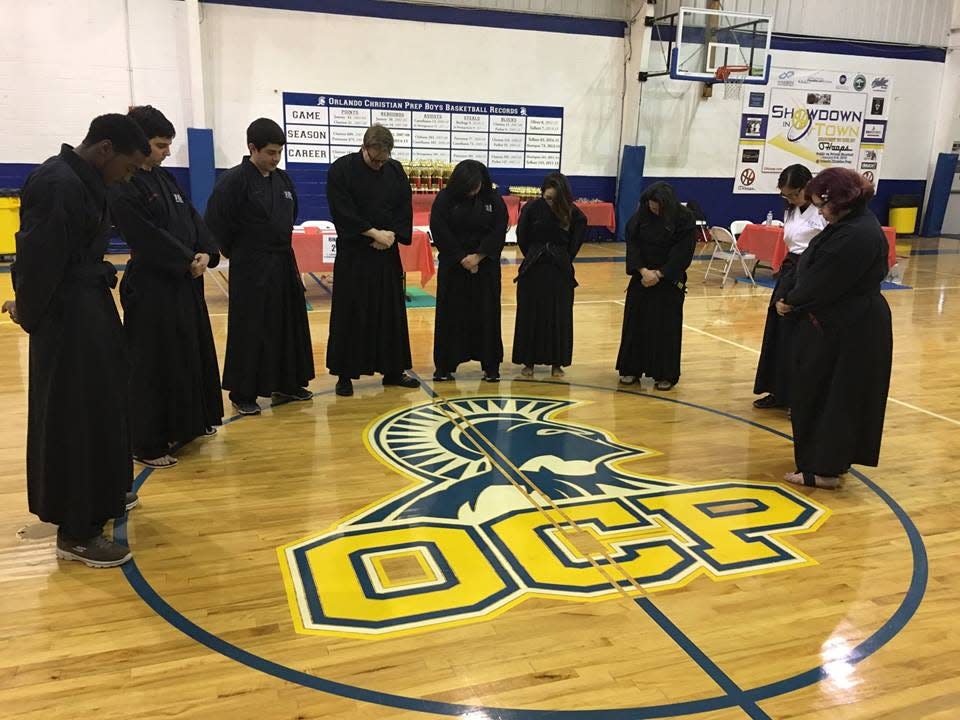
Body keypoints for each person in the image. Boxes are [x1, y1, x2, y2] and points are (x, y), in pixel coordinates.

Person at [8, 114, 148, 567]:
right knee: (73, 417)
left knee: (102, 408)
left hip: (89, 309)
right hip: (66, 319)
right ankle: (76, 530)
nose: (128, 176)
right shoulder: (57, 183)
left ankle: (103, 494)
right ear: (105, 149)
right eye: (127, 166)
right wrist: (27, 311)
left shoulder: (85, 180)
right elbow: (36, 260)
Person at [109, 106, 223, 469]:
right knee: (152, 365)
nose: (167, 152)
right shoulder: (125, 186)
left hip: (185, 285)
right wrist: (186, 259)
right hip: (152, 287)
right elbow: (146, 235)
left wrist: (207, 251)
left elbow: (192, 218)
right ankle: (148, 442)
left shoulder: (166, 180)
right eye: (160, 145)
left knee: (187, 356)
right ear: (139, 143)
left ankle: (187, 424)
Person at [778, 168, 892, 490]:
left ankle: (825, 468)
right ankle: (822, 461)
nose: (820, 213)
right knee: (819, 391)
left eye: (822, 205)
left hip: (851, 328)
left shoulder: (856, 234)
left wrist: (791, 301)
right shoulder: (848, 225)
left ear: (840, 202)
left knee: (836, 397)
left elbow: (824, 281)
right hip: (839, 322)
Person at [204, 118, 315, 415]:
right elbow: (216, 224)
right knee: (251, 327)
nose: (275, 158)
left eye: (279, 152)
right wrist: (241, 252)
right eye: (269, 152)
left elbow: (291, 214)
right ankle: (244, 392)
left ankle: (287, 382)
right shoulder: (233, 181)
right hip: (251, 264)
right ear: (252, 148)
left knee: (287, 324)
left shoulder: (283, 180)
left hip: (282, 261)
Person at [325, 124, 418, 396]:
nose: (379, 164)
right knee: (350, 313)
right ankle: (345, 374)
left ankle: (393, 370)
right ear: (363, 148)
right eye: (374, 159)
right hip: (355, 254)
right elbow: (341, 210)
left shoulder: (395, 170)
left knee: (390, 313)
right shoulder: (341, 169)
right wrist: (372, 233)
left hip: (386, 253)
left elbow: (404, 205)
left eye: (383, 159)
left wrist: (389, 235)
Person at [753, 164, 827, 410]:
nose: (791, 199)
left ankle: (800, 398)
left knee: (801, 335)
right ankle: (778, 390)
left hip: (811, 272)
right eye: (786, 195)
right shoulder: (791, 211)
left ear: (807, 186)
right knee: (778, 331)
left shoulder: (822, 213)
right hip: (790, 271)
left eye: (794, 193)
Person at [429, 160, 507, 382]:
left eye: (477, 186)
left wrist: (479, 256)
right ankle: (445, 365)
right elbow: (439, 229)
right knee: (450, 316)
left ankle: (490, 366)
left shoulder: (493, 199)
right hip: (454, 267)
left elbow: (499, 230)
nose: (473, 191)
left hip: (486, 267)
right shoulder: (445, 199)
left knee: (487, 314)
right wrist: (461, 258)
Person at [616, 182, 696, 390]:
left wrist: (660, 273)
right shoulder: (641, 216)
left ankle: (665, 374)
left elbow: (683, 252)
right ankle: (631, 369)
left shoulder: (684, 218)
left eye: (657, 207)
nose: (654, 210)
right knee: (635, 324)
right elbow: (632, 243)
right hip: (642, 277)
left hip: (669, 279)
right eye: (651, 206)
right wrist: (642, 270)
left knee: (666, 328)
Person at [512, 172, 586, 378]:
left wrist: (562, 255)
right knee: (530, 315)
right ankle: (529, 361)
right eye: (547, 197)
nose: (550, 202)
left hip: (559, 271)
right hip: (533, 268)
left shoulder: (573, 214)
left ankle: (557, 362)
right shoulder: (531, 209)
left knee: (559, 316)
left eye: (554, 198)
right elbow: (522, 237)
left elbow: (575, 242)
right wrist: (536, 253)